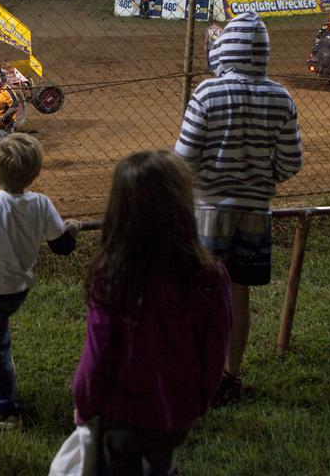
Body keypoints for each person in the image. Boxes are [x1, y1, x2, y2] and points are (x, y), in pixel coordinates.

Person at [73, 150, 233, 476]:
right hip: (177, 413)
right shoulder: (209, 275)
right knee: (160, 462)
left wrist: (84, 405)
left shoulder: (112, 277)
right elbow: (216, 351)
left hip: (121, 415)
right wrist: (200, 400)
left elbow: (97, 357)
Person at [174, 11, 303, 407]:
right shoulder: (281, 97)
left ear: (224, 50)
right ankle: (231, 375)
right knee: (237, 291)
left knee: (198, 291)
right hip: (254, 211)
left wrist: (200, 181)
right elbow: (291, 160)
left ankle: (196, 371)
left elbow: (183, 156)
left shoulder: (208, 93)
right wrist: (264, 179)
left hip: (208, 209)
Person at [0, 133, 79, 431]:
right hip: (16, 288)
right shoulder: (41, 203)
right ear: (35, 172)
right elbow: (62, 246)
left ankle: (4, 410)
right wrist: (72, 229)